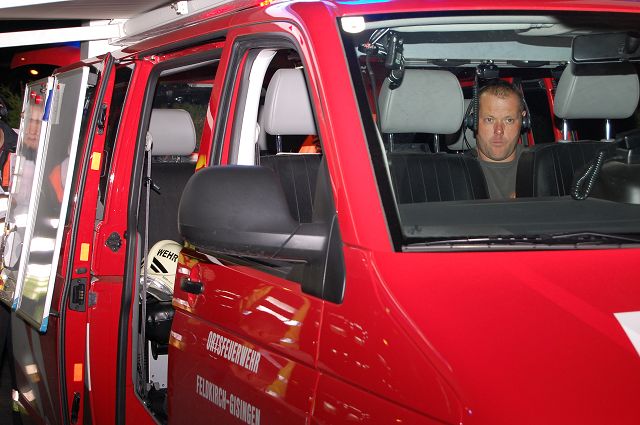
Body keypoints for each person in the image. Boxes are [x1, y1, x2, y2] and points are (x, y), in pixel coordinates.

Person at [473, 80, 527, 199]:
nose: (498, 130)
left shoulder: (543, 167)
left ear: (523, 122)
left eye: (509, 120)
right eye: (489, 120)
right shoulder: (454, 173)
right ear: (473, 121)